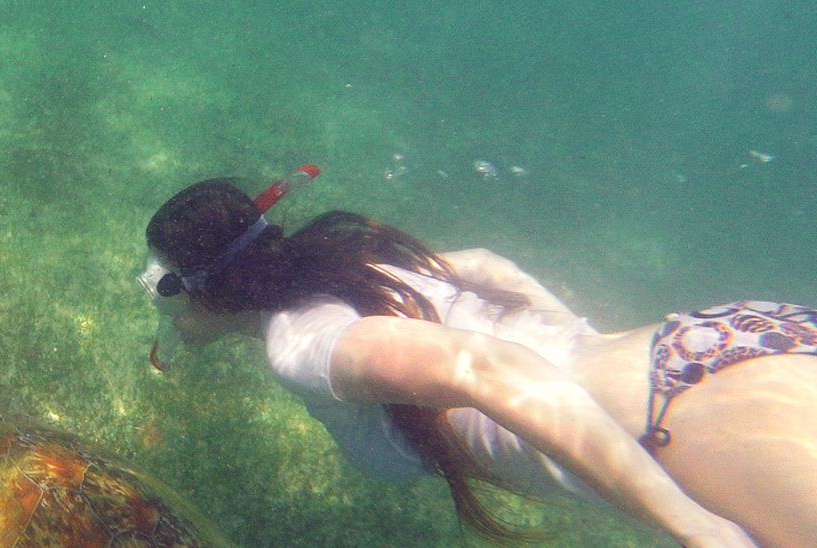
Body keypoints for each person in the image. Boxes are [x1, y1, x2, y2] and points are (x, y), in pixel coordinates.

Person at [137, 167, 817, 548]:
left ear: (205, 290)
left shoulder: (300, 344)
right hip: (712, 341)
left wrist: (696, 529)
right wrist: (578, 344)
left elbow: (486, 369)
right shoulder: (344, 262)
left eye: (166, 286)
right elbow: (493, 266)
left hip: (686, 421)